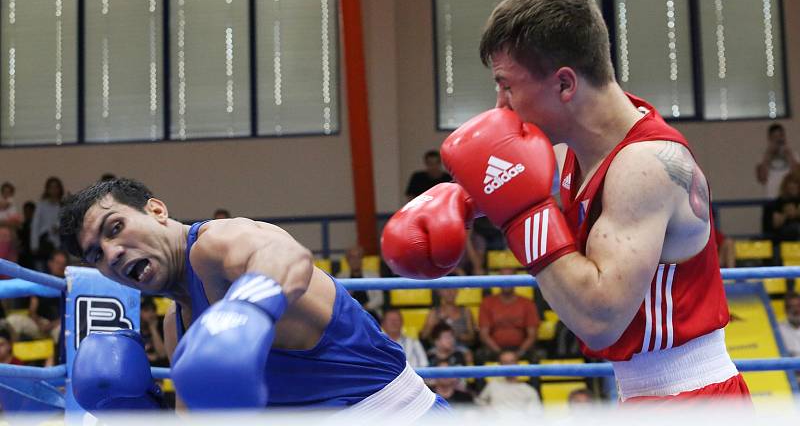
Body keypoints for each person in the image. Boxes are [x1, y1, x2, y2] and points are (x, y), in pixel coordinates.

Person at [382, 0, 749, 402]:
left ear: (564, 85)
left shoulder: (645, 167)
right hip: (648, 395)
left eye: (507, 85)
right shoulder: (580, 150)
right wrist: (458, 201)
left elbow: (600, 319)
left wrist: (521, 216)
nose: (501, 106)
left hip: (692, 397)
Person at [59, 178, 445, 417]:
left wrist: (247, 309)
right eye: (96, 255)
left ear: (157, 210)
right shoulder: (175, 326)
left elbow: (285, 255)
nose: (112, 254)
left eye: (116, 228)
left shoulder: (214, 246)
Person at [477, 269, 539, 362]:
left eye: (510, 278)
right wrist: (500, 353)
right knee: (479, 357)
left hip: (520, 349)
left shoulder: (527, 303)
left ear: (516, 281)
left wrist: (518, 354)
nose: (506, 281)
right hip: (495, 349)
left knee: (535, 360)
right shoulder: (487, 303)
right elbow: (484, 335)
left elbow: (532, 335)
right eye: (503, 278)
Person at [475, 350, 541, 413]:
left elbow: (534, 415)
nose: (509, 365)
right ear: (500, 365)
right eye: (505, 362)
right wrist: (487, 410)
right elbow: (480, 403)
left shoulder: (528, 390)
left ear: (517, 363)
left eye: (512, 361)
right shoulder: (492, 385)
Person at [756, 123, 799, 200]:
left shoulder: (794, 155)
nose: (778, 140)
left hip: (789, 200)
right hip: (770, 199)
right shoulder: (763, 157)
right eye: (775, 137)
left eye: (781, 136)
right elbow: (762, 179)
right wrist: (768, 155)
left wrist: (789, 155)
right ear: (769, 139)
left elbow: (797, 176)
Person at [31, 177, 65, 268]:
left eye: (56, 187)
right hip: (44, 241)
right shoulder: (41, 205)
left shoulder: (63, 204)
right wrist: (34, 245)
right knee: (43, 267)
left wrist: (59, 227)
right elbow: (35, 225)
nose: (54, 190)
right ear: (47, 189)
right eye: (51, 187)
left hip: (60, 241)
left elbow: (67, 222)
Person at [778, 293, 800, 357]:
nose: (796, 310)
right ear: (786, 310)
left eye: (798, 306)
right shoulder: (778, 329)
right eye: (792, 306)